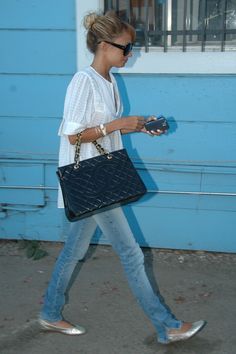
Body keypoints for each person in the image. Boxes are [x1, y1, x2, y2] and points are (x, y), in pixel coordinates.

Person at [39, 11, 206, 344]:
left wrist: (140, 126)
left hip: (99, 179)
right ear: (104, 45)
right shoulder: (83, 81)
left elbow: (104, 131)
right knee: (131, 253)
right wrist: (118, 124)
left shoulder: (109, 80)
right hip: (92, 180)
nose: (130, 54)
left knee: (73, 251)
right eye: (126, 48)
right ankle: (167, 326)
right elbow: (73, 136)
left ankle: (49, 314)